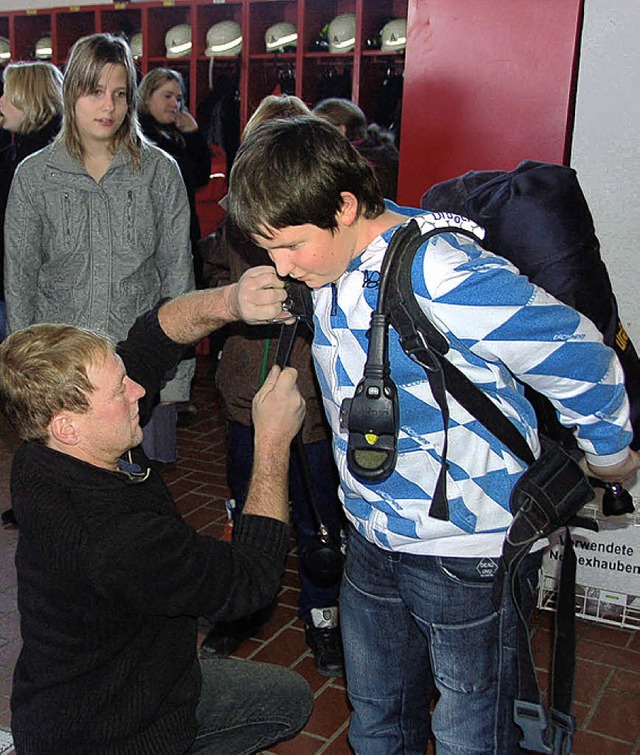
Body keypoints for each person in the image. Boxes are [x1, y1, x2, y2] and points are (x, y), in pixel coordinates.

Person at [225, 116, 640, 754]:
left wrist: (609, 452)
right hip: (372, 537)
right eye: (267, 250)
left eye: (289, 246)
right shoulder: (327, 266)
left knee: (471, 733)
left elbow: (580, 356)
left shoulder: (441, 271)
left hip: (469, 551)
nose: (280, 266)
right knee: (377, 719)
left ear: (343, 206)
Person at [0, 273, 313, 754]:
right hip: (118, 732)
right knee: (286, 703)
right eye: (118, 390)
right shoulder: (116, 540)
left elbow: (155, 334)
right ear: (67, 427)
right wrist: (271, 441)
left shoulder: (41, 454)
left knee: (285, 698)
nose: (137, 390)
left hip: (106, 687)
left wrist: (231, 300)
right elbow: (250, 580)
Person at [200, 95, 345, 677]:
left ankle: (323, 614)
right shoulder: (235, 225)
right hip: (244, 396)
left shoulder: (325, 224)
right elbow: (211, 280)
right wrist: (241, 302)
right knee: (247, 505)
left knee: (317, 516)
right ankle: (242, 609)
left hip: (311, 403)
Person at [3, 33, 195, 465]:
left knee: (140, 502)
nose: (107, 106)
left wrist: (177, 379)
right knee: (68, 503)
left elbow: (178, 279)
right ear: (72, 93)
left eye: (119, 93)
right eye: (94, 91)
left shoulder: (159, 174)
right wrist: (23, 377)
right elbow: (19, 282)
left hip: (141, 368)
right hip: (61, 371)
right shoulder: (34, 177)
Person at [0, 61, 63, 342]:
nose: (0, 101)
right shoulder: (11, 154)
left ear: (30, 98)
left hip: (40, 300)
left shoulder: (56, 162)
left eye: (7, 94)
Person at [138, 67, 211, 289]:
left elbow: (200, 178)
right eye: (167, 96)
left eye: (179, 99)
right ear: (147, 97)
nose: (175, 105)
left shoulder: (176, 135)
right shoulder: (141, 137)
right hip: (156, 239)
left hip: (185, 231)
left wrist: (194, 135)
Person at [313, 97, 399, 201]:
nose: (314, 136)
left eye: (319, 129)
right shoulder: (380, 151)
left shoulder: (352, 164)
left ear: (341, 130)